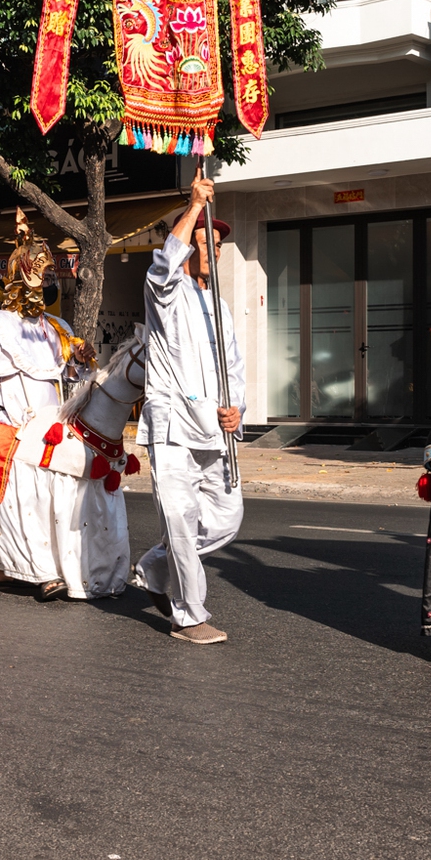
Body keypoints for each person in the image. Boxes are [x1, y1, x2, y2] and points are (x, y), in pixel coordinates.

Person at [0, 212, 90, 601]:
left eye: (50, 274)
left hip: (52, 431)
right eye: (41, 272)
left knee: (53, 503)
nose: (48, 282)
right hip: (15, 429)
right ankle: (41, 572)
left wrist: (80, 358)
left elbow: (68, 376)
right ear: (24, 275)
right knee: (25, 501)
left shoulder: (58, 327)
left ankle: (13, 567)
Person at [131, 175, 246, 645]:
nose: (212, 250)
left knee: (225, 518)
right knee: (179, 519)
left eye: (217, 244)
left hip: (215, 433)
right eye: (203, 240)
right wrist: (194, 207)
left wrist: (237, 409)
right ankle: (189, 616)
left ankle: (156, 565)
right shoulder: (166, 292)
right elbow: (163, 263)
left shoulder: (218, 304)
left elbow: (233, 369)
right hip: (174, 426)